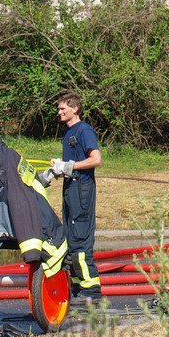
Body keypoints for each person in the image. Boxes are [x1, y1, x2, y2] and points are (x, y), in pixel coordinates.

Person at [50, 91, 102, 300]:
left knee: (80, 238)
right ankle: (78, 288)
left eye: (63, 108)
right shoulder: (68, 133)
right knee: (70, 238)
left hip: (82, 189)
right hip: (70, 189)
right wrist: (59, 169)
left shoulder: (84, 131)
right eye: (59, 109)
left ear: (75, 109)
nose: (59, 112)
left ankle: (91, 290)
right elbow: (70, 165)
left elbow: (96, 159)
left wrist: (70, 166)